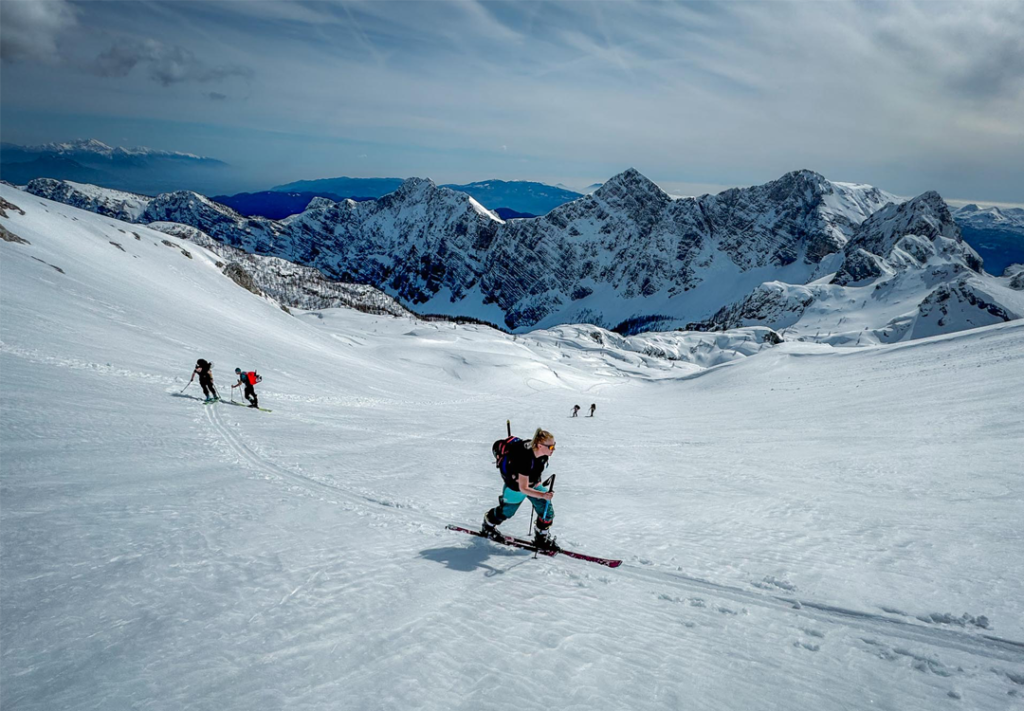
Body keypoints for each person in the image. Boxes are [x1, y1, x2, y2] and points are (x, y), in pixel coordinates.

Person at [482, 428, 558, 551]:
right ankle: (488, 525)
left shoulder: (543, 455)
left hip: (532, 484)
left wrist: (541, 491)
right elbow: (523, 488)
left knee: (547, 511)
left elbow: (536, 470)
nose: (553, 449)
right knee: (506, 512)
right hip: (516, 487)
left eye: (554, 445)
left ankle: (541, 537)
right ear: (540, 446)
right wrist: (542, 495)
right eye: (551, 447)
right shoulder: (524, 459)